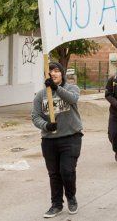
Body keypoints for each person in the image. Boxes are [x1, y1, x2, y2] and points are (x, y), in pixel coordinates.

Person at [31, 62, 82, 218]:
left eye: (56, 71)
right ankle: (56, 204)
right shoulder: (40, 95)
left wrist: (56, 88)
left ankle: (71, 198)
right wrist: (46, 125)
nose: (53, 73)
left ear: (62, 73)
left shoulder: (72, 88)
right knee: (54, 174)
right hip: (49, 140)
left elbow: (72, 99)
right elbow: (35, 116)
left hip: (71, 137)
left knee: (67, 171)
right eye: (50, 71)